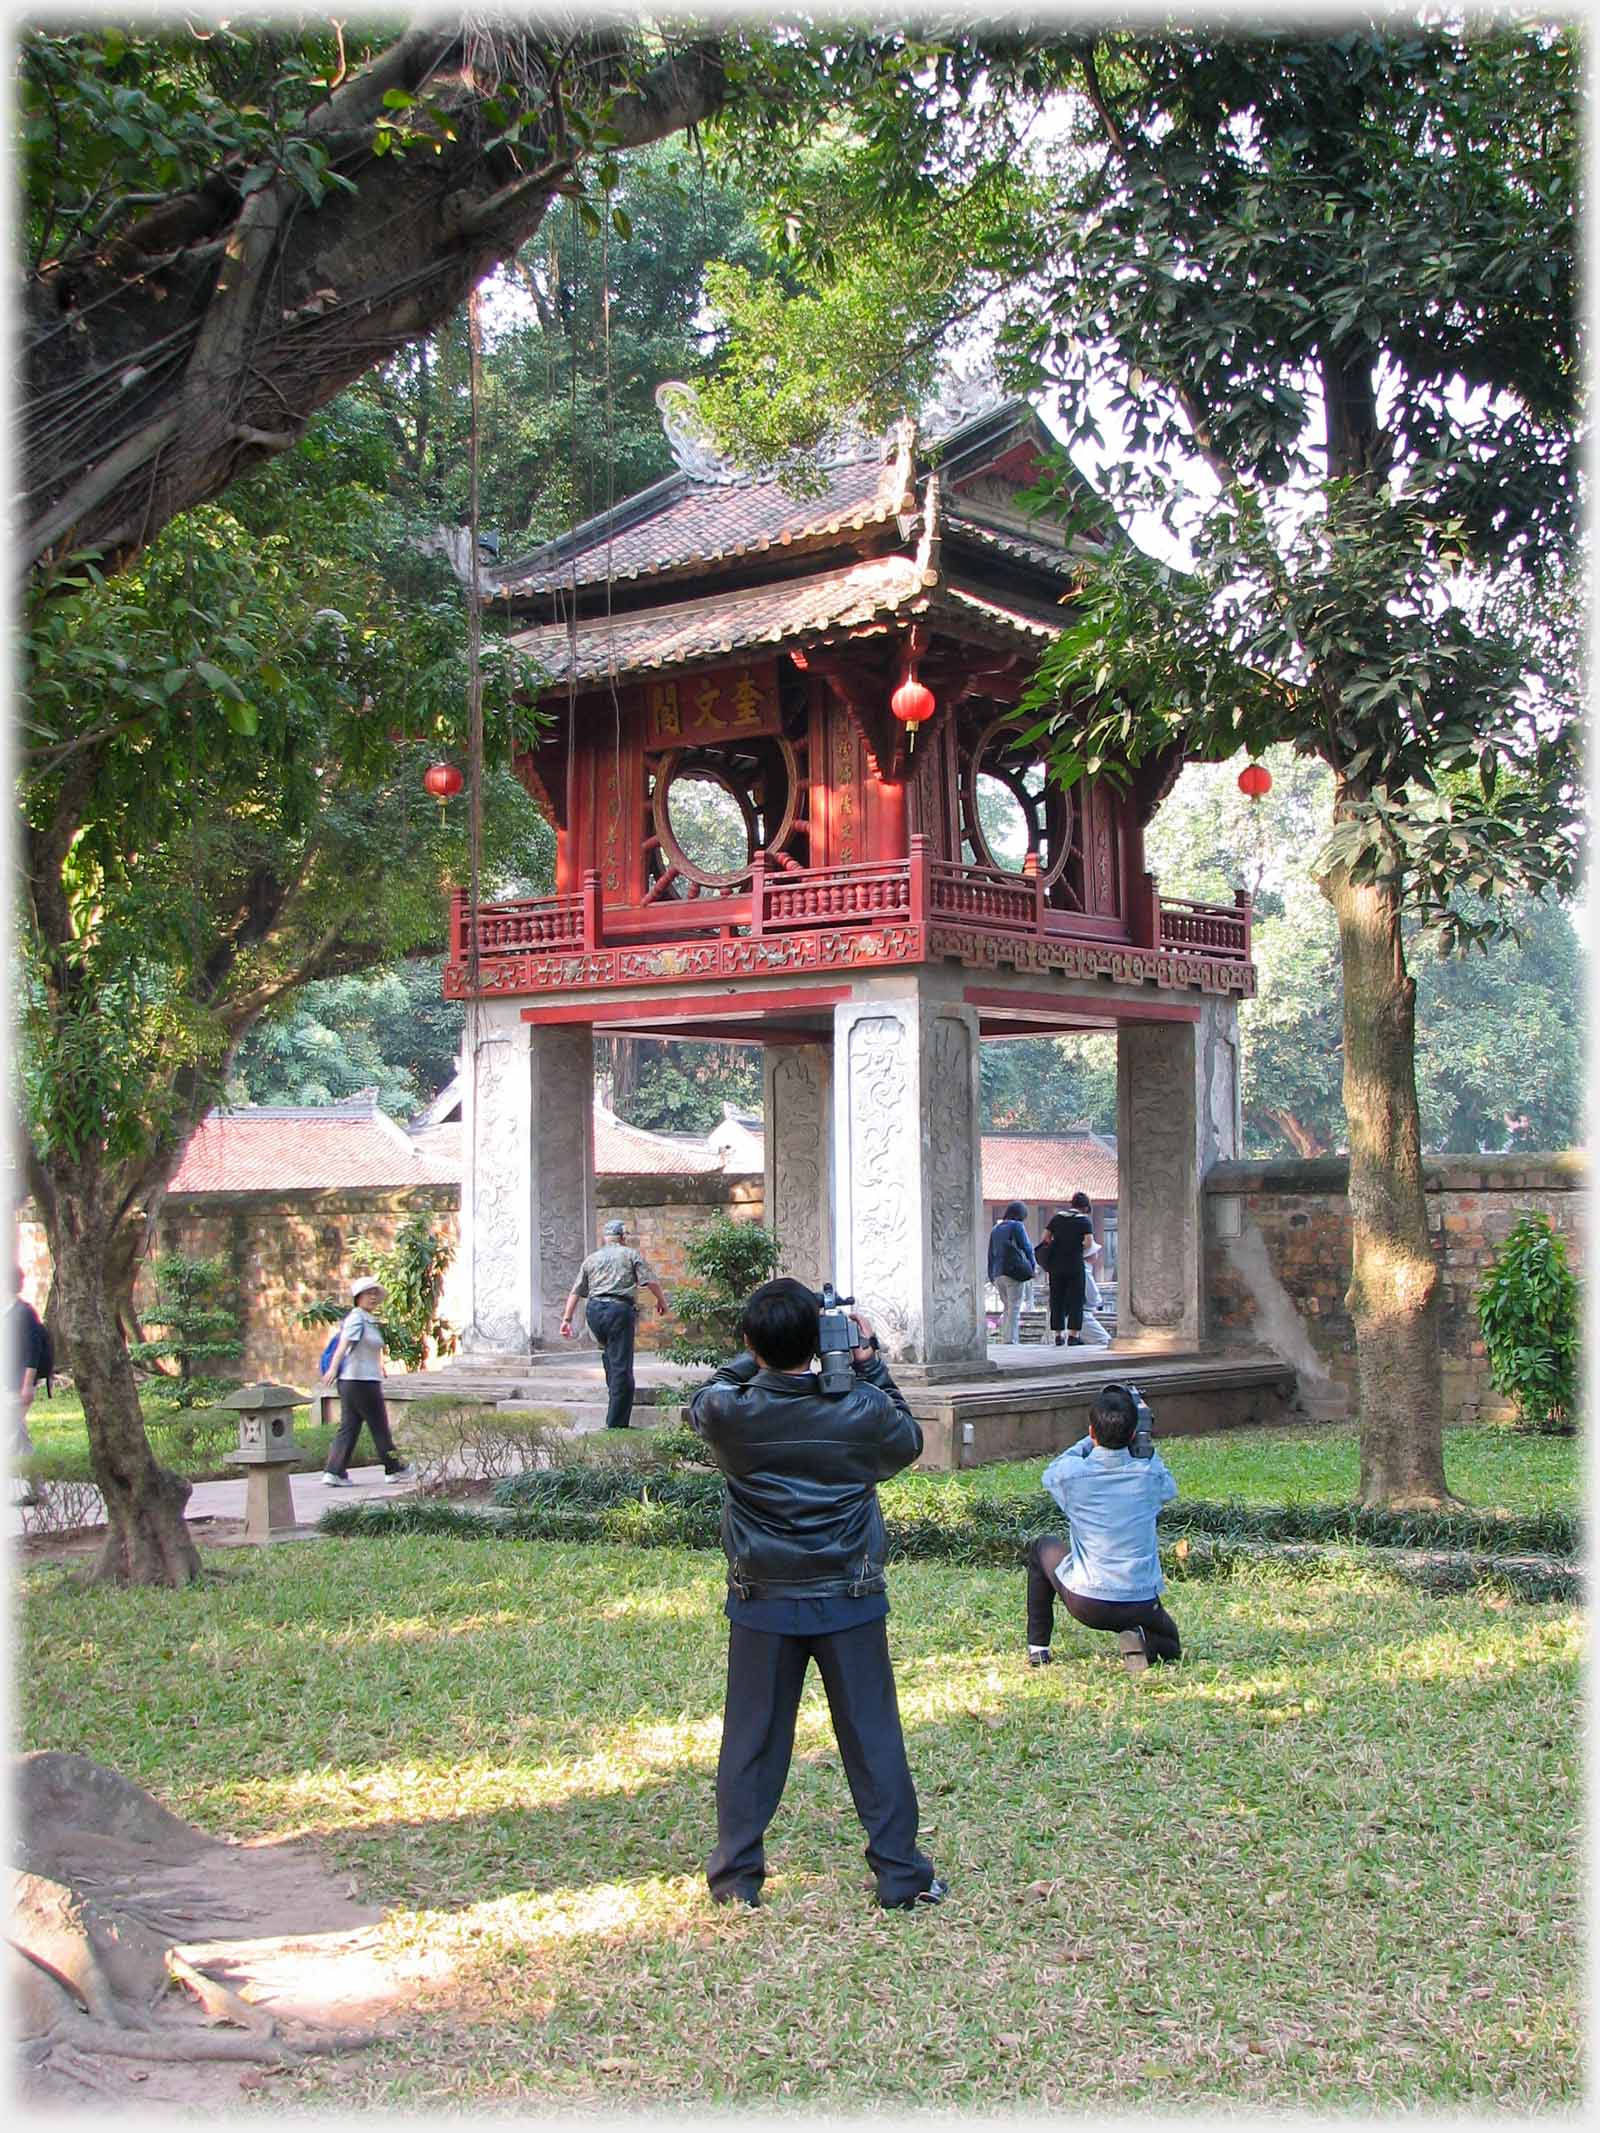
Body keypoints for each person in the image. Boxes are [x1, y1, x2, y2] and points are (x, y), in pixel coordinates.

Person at [690, 1277, 945, 1912]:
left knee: (750, 1739)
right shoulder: (860, 1410)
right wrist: (865, 1364)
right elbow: (908, 1440)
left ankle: (736, 1880)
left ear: (749, 1341)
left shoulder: (729, 1413)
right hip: (849, 1595)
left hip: (762, 1597)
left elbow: (706, 1395)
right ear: (821, 1340)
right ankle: (899, 1876)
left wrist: (759, 1350)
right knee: (872, 1736)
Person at [1025, 1384, 1182, 1676]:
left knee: (1042, 1547)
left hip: (1088, 1602)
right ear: (1135, 1433)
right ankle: (1141, 1640)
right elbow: (1168, 1487)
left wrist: (1092, 1438)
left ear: (1092, 1432)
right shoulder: (1149, 1476)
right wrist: (1144, 1445)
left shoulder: (1071, 1476)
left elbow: (1052, 1472)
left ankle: (1038, 1648)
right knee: (1171, 1645)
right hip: (1141, 1601)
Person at [559, 1218, 668, 1431]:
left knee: (610, 1356)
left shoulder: (591, 1259)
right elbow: (650, 1281)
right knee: (621, 1366)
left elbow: (576, 1291)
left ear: (604, 1238)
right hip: (618, 1310)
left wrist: (566, 1319)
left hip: (594, 1311)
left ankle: (615, 1396)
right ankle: (616, 1424)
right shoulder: (630, 1254)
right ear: (623, 1237)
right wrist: (661, 1301)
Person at [320, 1277, 413, 1487]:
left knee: (350, 1427)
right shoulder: (356, 1318)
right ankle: (394, 1469)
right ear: (357, 1297)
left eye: (374, 1293)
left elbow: (365, 1349)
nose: (372, 1297)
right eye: (367, 1293)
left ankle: (334, 1471)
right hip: (359, 1382)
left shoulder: (368, 1319)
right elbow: (343, 1345)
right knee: (379, 1425)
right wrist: (333, 1369)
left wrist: (380, 1367)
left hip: (361, 1380)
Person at [7, 1269, 50, 1504]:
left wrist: (27, 1386)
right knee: (19, 1440)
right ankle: (38, 1491)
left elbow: (32, 1354)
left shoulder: (24, 1314)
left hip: (15, 1388)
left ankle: (37, 1491)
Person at [1038, 1192, 1094, 1346]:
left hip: (1056, 1265)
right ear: (1085, 1207)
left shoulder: (1057, 1218)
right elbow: (1089, 1243)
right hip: (1075, 1263)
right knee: (1076, 1298)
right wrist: (1075, 1246)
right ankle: (1073, 1335)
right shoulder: (1084, 1221)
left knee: (1057, 1298)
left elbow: (1045, 1238)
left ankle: (1058, 1334)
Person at [987, 1200, 1037, 1344]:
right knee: (1014, 1307)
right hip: (1013, 1272)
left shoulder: (995, 1229)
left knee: (1007, 1307)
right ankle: (1011, 1340)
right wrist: (1032, 1266)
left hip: (998, 1274)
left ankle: (1006, 1338)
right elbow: (1027, 1247)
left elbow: (990, 1253)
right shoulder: (1017, 1226)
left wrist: (991, 1274)